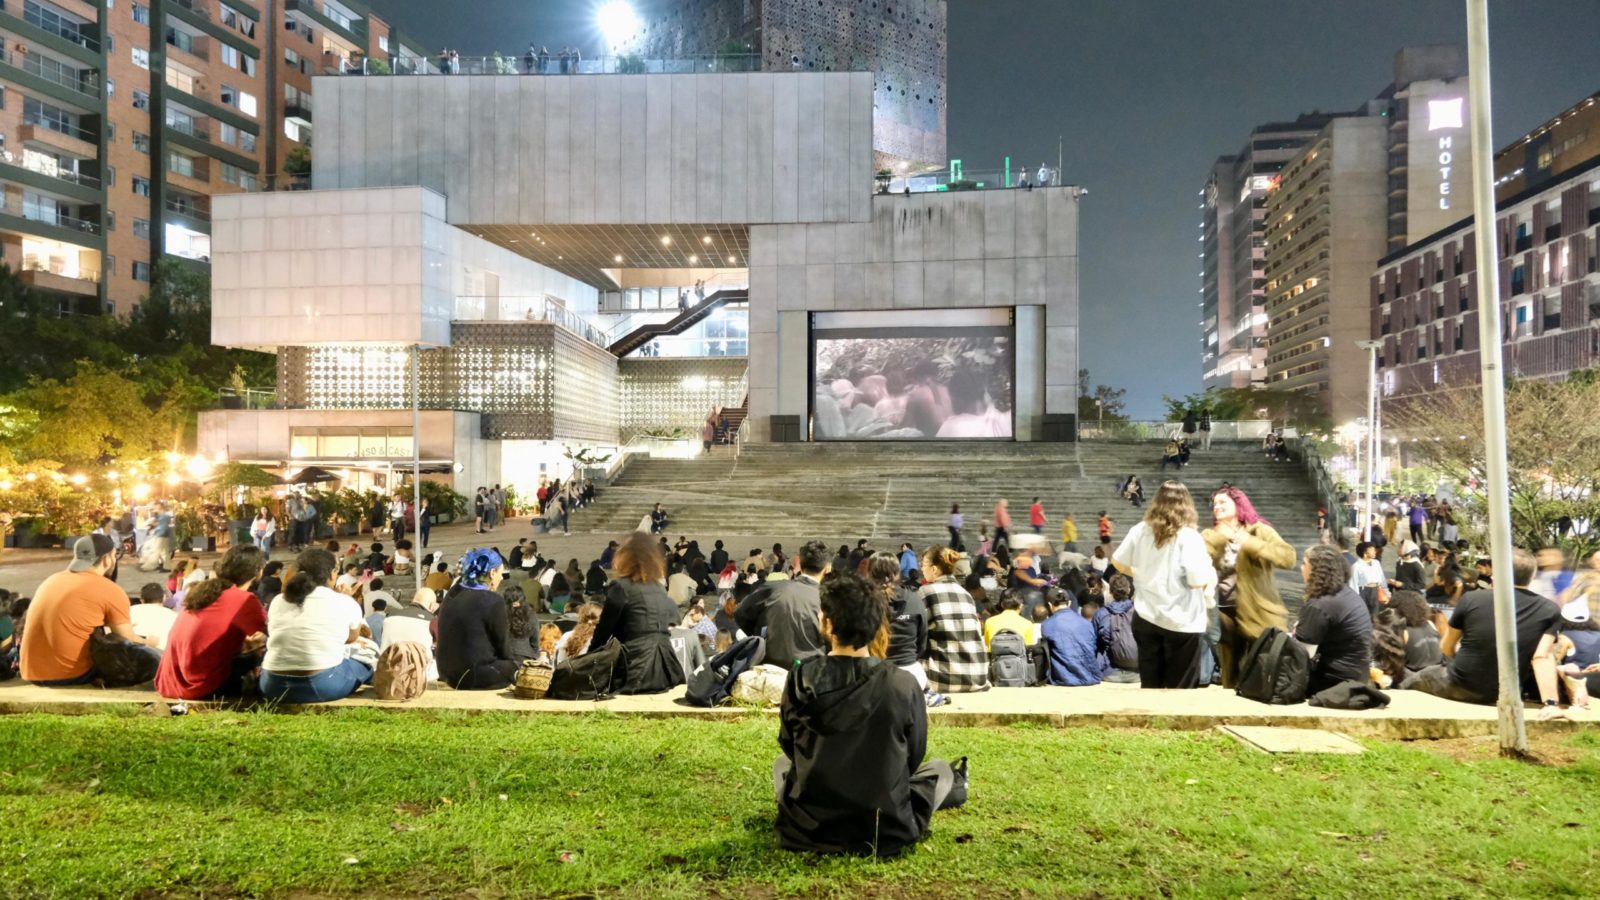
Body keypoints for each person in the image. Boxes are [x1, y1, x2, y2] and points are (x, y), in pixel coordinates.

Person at [773, 572, 966, 857]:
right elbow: (913, 756)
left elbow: (789, 745)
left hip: (808, 830)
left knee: (782, 765)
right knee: (939, 769)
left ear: (828, 623)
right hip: (885, 827)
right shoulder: (903, 683)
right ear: (877, 624)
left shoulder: (800, 678)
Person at [1403, 548, 1564, 715]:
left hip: (1459, 683)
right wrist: (1551, 703)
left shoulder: (1472, 599)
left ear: (1498, 573)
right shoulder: (1549, 610)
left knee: (1411, 681)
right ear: (1532, 575)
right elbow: (1542, 657)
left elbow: (1446, 647)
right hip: (1502, 691)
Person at [1111, 481, 1216, 689]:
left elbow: (1117, 561)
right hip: (1181, 620)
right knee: (1181, 691)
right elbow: (1197, 581)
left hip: (1146, 616)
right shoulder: (1189, 536)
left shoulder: (1140, 530)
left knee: (1151, 686)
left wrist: (1139, 573)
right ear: (1186, 505)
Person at [23, 535, 160, 686]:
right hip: (68, 674)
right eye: (114, 555)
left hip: (31, 672)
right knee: (152, 657)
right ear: (106, 559)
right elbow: (127, 637)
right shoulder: (109, 589)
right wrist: (149, 642)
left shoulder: (51, 580)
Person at [1202, 487, 1296, 687]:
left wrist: (1250, 542)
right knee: (1231, 674)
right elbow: (1198, 562)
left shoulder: (1259, 530)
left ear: (1238, 504)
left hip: (1258, 609)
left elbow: (1288, 558)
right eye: (1215, 503)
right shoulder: (1211, 535)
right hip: (1225, 612)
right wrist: (1218, 539)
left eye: (1222, 502)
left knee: (1261, 668)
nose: (1217, 507)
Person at [258, 549, 373, 703]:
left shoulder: (279, 600)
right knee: (365, 664)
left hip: (272, 685)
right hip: (321, 684)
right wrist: (347, 598)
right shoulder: (343, 601)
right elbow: (351, 638)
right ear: (332, 573)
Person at [154, 545, 269, 700]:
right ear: (257, 571)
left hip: (168, 683)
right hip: (199, 688)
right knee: (262, 651)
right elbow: (275, 634)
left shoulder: (202, 591)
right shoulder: (245, 600)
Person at [592, 533, 685, 694]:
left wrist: (590, 658)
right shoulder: (659, 588)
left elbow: (603, 631)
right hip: (666, 666)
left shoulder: (621, 587)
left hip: (635, 666)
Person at [1293, 545, 1373, 694]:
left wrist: (1297, 632)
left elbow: (1302, 654)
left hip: (1333, 681)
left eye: (1304, 563)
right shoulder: (1347, 594)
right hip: (1357, 676)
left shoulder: (1319, 604)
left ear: (1316, 570)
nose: (1301, 568)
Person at [738, 541, 830, 668]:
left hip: (771, 666)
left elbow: (740, 613)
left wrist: (760, 637)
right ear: (827, 568)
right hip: (811, 669)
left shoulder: (774, 588)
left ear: (801, 565)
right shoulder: (829, 600)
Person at [436, 549, 518, 690]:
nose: (501, 578)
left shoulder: (452, 593)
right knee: (512, 666)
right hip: (475, 675)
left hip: (446, 672)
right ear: (492, 573)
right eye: (500, 573)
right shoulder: (493, 601)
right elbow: (503, 648)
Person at [918, 545, 990, 693]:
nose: (921, 569)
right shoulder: (965, 594)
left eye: (924, 565)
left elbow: (915, 632)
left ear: (934, 569)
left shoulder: (926, 592)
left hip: (942, 678)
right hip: (976, 676)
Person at [1041, 589, 1101, 686]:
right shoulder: (1086, 623)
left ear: (1050, 605)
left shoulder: (1047, 624)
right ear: (1069, 603)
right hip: (1090, 676)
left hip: (1064, 678)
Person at [129, 583, 178, 651]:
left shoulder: (130, 611)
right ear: (164, 598)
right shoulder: (174, 616)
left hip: (131, 652)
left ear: (142, 600)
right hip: (164, 653)